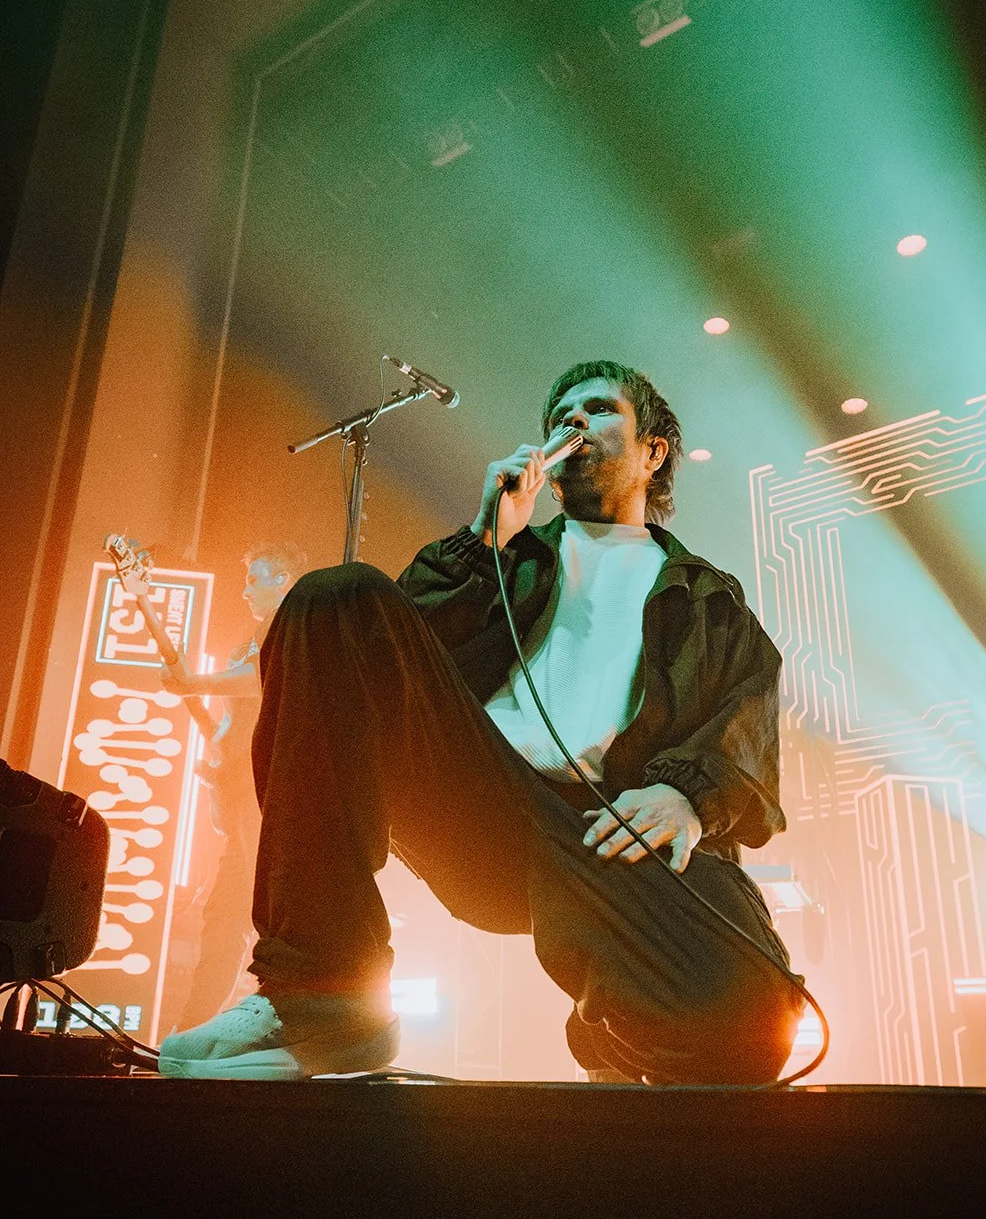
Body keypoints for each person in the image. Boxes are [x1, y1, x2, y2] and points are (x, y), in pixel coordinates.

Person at [158, 360, 805, 1083]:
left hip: (603, 831)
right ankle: (323, 1000)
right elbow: (385, 657)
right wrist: (483, 538)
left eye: (596, 409)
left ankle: (617, 1029)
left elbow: (746, 716)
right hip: (478, 800)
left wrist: (686, 794)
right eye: (560, 417)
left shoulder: (706, 598)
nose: (573, 423)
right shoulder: (509, 556)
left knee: (753, 1027)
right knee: (335, 599)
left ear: (653, 451)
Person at [162, 541, 307, 1029]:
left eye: (255, 578)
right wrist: (218, 759)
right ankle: (190, 1026)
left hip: (270, 794)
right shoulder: (248, 639)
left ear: (283, 579)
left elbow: (260, 681)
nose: (244, 590)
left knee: (266, 910)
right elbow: (233, 719)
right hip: (242, 790)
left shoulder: (292, 629)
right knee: (223, 916)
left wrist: (193, 682)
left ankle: (279, 1017)